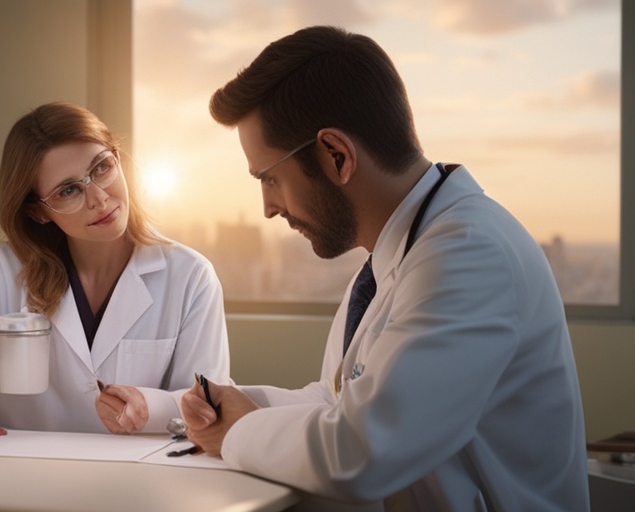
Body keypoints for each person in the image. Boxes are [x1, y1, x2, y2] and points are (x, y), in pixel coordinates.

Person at [179, 26, 589, 510]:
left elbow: (362, 451)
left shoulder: (469, 257)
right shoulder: (391, 261)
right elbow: (339, 405)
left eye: (269, 178)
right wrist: (231, 403)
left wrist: (239, 432)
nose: (268, 207)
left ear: (336, 155)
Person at [0, 102, 230, 436]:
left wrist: (149, 405)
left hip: (136, 474)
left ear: (117, 158)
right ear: (38, 212)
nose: (99, 199)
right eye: (69, 190)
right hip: (27, 471)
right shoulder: (8, 268)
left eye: (102, 168)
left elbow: (212, 404)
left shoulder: (190, 276)